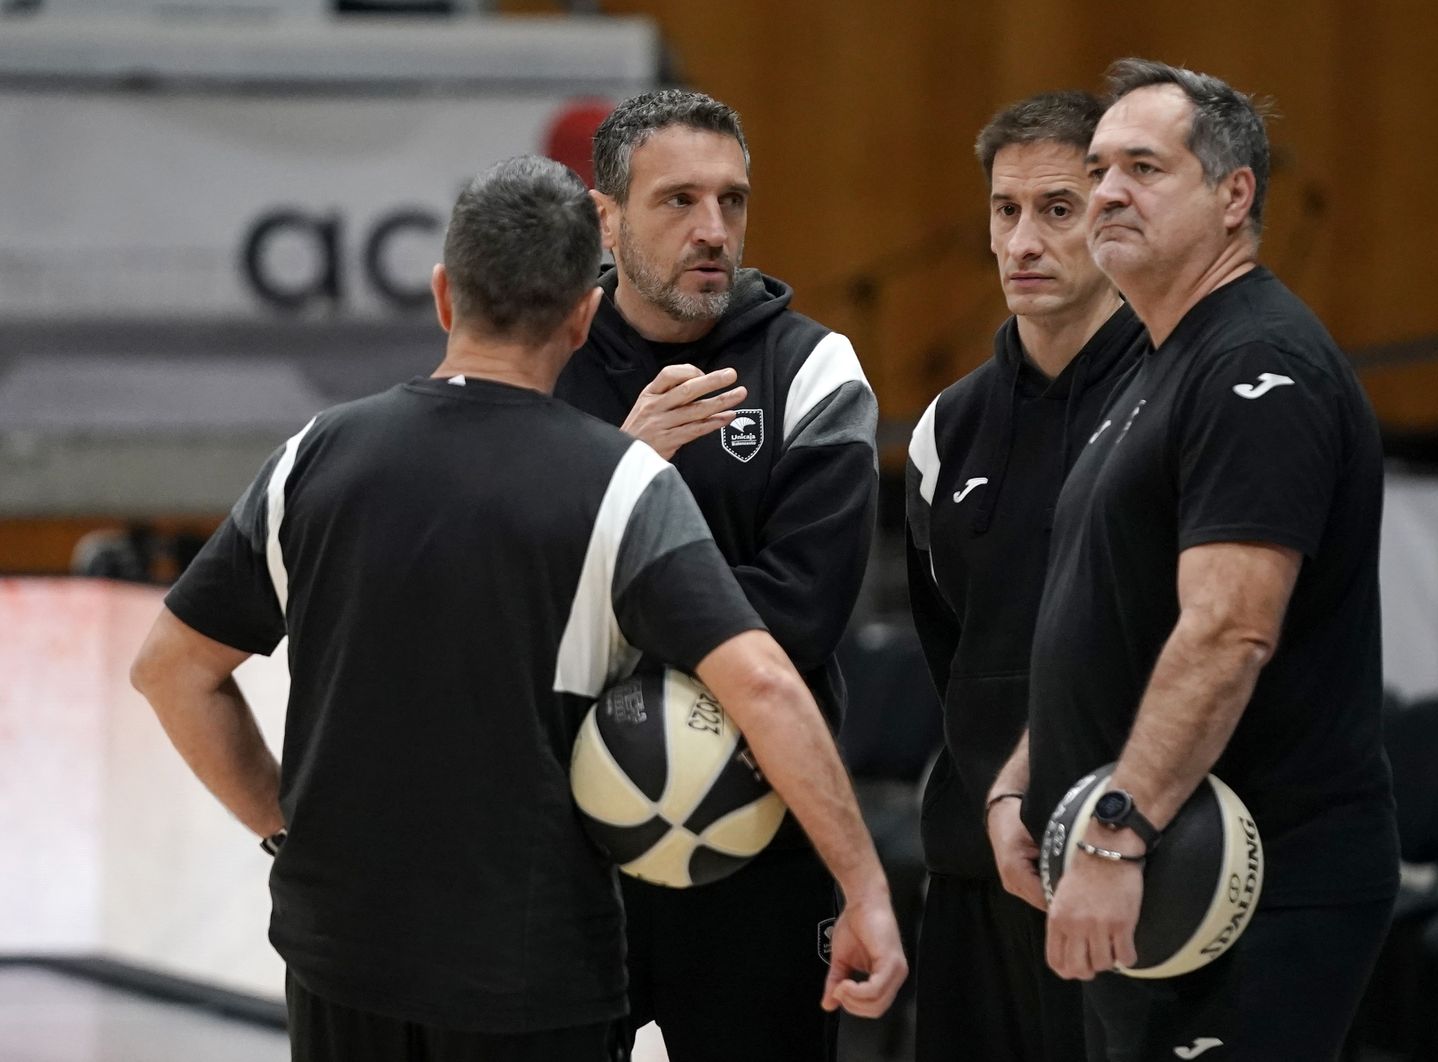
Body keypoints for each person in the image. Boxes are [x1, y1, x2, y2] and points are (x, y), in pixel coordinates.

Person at [129, 154, 905, 1062]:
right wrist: (864, 886)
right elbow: (767, 688)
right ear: (583, 316)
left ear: (443, 295)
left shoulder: (315, 455)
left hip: (334, 951)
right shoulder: (615, 482)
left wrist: (281, 824)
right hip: (527, 971)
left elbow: (170, 670)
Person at [988, 60, 1399, 1060]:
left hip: (1244, 881)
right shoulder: (1162, 362)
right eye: (1099, 167)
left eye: (1142, 166)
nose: (1108, 191)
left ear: (1232, 195)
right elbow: (1113, 615)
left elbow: (1228, 630)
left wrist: (1111, 834)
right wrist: (1023, 783)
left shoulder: (1260, 363)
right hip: (1150, 867)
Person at [555, 90, 878, 1062]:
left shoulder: (813, 369)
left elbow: (802, 613)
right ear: (604, 216)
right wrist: (622, 467)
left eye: (731, 201)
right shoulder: (542, 368)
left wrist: (601, 550)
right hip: (566, 855)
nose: (713, 231)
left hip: (760, 846)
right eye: (679, 200)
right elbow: (498, 604)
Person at [903, 91, 1143, 1062]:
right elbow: (948, 646)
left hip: (1124, 870)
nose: (1024, 242)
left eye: (1056, 210)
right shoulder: (945, 428)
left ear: (1113, 216)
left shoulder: (1175, 405)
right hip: (970, 873)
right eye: (1006, 211)